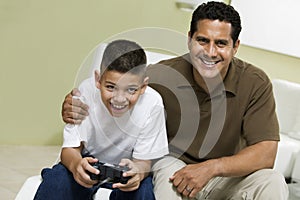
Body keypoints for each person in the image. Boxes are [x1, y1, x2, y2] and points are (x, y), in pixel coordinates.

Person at [62, 2, 289, 199]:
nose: (210, 52)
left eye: (221, 43)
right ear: (189, 39)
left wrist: (212, 168)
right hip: (174, 173)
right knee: (165, 165)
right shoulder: (161, 75)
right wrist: (75, 105)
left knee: (273, 181)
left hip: (225, 176)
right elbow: (116, 89)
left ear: (235, 47)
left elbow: (266, 153)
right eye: (202, 40)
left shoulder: (255, 82)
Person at [34, 39, 169, 200]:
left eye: (131, 90)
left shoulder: (153, 103)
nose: (119, 99)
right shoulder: (85, 92)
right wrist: (77, 165)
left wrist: (138, 173)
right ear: (98, 80)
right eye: (111, 87)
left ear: (143, 86)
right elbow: (70, 149)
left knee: (143, 192)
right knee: (56, 182)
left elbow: (144, 162)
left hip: (127, 171)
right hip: (87, 162)